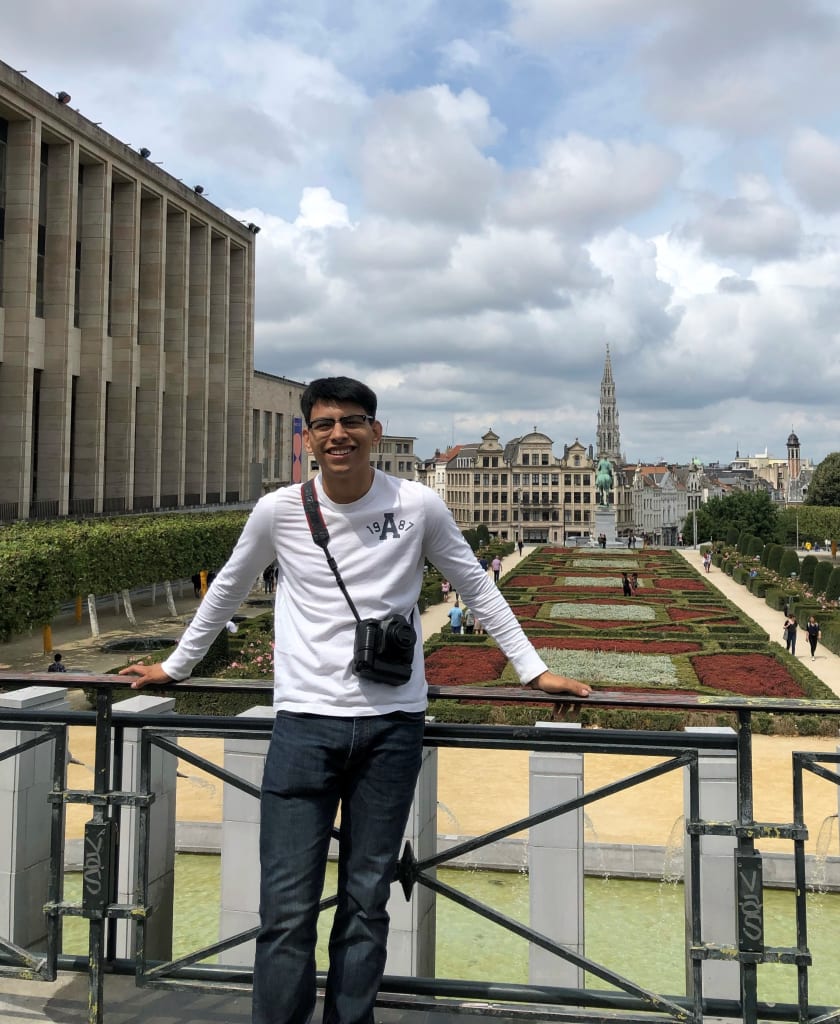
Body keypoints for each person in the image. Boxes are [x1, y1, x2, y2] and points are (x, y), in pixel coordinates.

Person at [118, 376, 590, 1024]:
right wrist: (177, 665)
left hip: (391, 729)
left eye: (350, 421)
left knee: (368, 904)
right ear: (308, 437)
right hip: (304, 726)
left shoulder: (419, 505)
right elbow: (227, 588)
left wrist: (533, 670)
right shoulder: (278, 511)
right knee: (285, 911)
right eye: (323, 424)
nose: (337, 433)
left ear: (373, 429)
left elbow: (477, 587)